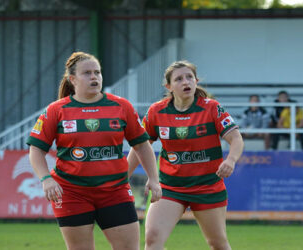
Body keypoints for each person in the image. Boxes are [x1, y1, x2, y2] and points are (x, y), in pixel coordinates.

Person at [27, 51, 161, 250]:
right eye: (87, 73)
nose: (94, 77)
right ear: (72, 79)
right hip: (72, 192)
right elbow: (36, 150)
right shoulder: (56, 110)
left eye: (97, 72)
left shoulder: (121, 106)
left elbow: (142, 145)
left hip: (115, 191)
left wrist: (154, 178)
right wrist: (46, 179)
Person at [127, 60, 244, 250]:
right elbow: (139, 146)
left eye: (189, 77)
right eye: (179, 79)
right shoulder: (156, 111)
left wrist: (231, 160)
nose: (185, 82)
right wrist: (123, 178)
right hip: (170, 187)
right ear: (169, 86)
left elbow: (236, 139)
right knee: (152, 238)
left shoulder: (212, 108)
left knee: (218, 243)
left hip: (207, 187)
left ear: (196, 81)